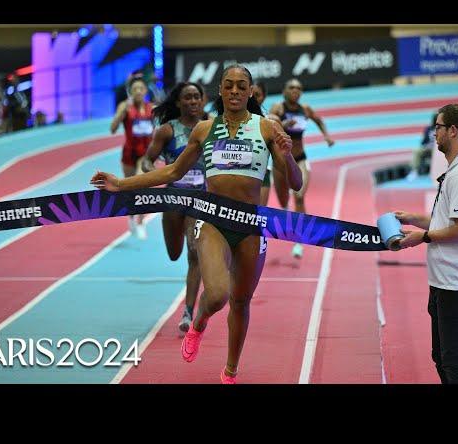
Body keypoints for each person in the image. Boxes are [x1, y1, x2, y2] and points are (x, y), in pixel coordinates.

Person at [92, 64, 302, 383]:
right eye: (228, 85)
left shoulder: (267, 128)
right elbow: (172, 172)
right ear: (220, 90)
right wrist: (121, 184)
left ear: (249, 91)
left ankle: (230, 371)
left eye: (240, 85)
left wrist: (286, 157)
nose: (234, 91)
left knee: (241, 302)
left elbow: (295, 183)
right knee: (217, 295)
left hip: (250, 226)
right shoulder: (204, 129)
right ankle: (199, 322)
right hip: (213, 221)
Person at [394, 103, 458, 384]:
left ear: (453, 131)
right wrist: (413, 218)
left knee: (456, 363)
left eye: (438, 127)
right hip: (449, 282)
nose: (433, 132)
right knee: (444, 359)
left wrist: (420, 238)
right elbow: (448, 220)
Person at [141, 81, 207, 335]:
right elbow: (148, 159)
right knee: (174, 253)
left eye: (196, 97)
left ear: (202, 101)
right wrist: (152, 173)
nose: (192, 101)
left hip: (200, 199)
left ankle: (188, 311)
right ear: (178, 102)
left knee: (194, 254)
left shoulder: (211, 126)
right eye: (187, 98)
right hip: (173, 199)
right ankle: (179, 232)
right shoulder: (167, 131)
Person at [269, 78, 335, 258]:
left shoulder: (305, 110)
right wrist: (282, 126)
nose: (295, 91)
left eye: (298, 88)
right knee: (283, 204)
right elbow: (267, 128)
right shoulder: (278, 109)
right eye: (291, 87)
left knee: (298, 196)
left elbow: (319, 120)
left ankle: (299, 241)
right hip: (280, 163)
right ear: (284, 91)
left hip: (299, 159)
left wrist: (326, 136)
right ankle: (289, 219)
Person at [110, 77, 155, 239]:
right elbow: (113, 129)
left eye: (140, 89)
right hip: (129, 153)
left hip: (146, 154)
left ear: (145, 91)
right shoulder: (125, 107)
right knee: (129, 188)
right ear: (130, 92)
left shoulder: (152, 108)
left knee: (142, 186)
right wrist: (122, 113)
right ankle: (130, 216)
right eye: (134, 89)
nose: (137, 91)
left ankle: (141, 222)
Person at [252, 81, 281, 206]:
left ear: (264, 97)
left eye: (257, 95)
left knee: (259, 216)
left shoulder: (271, 122)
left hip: (262, 174)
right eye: (251, 95)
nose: (253, 99)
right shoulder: (234, 119)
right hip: (239, 174)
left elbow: (281, 155)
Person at [406, 115, 436, 181]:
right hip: (428, 149)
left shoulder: (443, 129)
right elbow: (423, 142)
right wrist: (426, 146)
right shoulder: (428, 129)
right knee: (417, 151)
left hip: (438, 150)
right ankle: (414, 172)